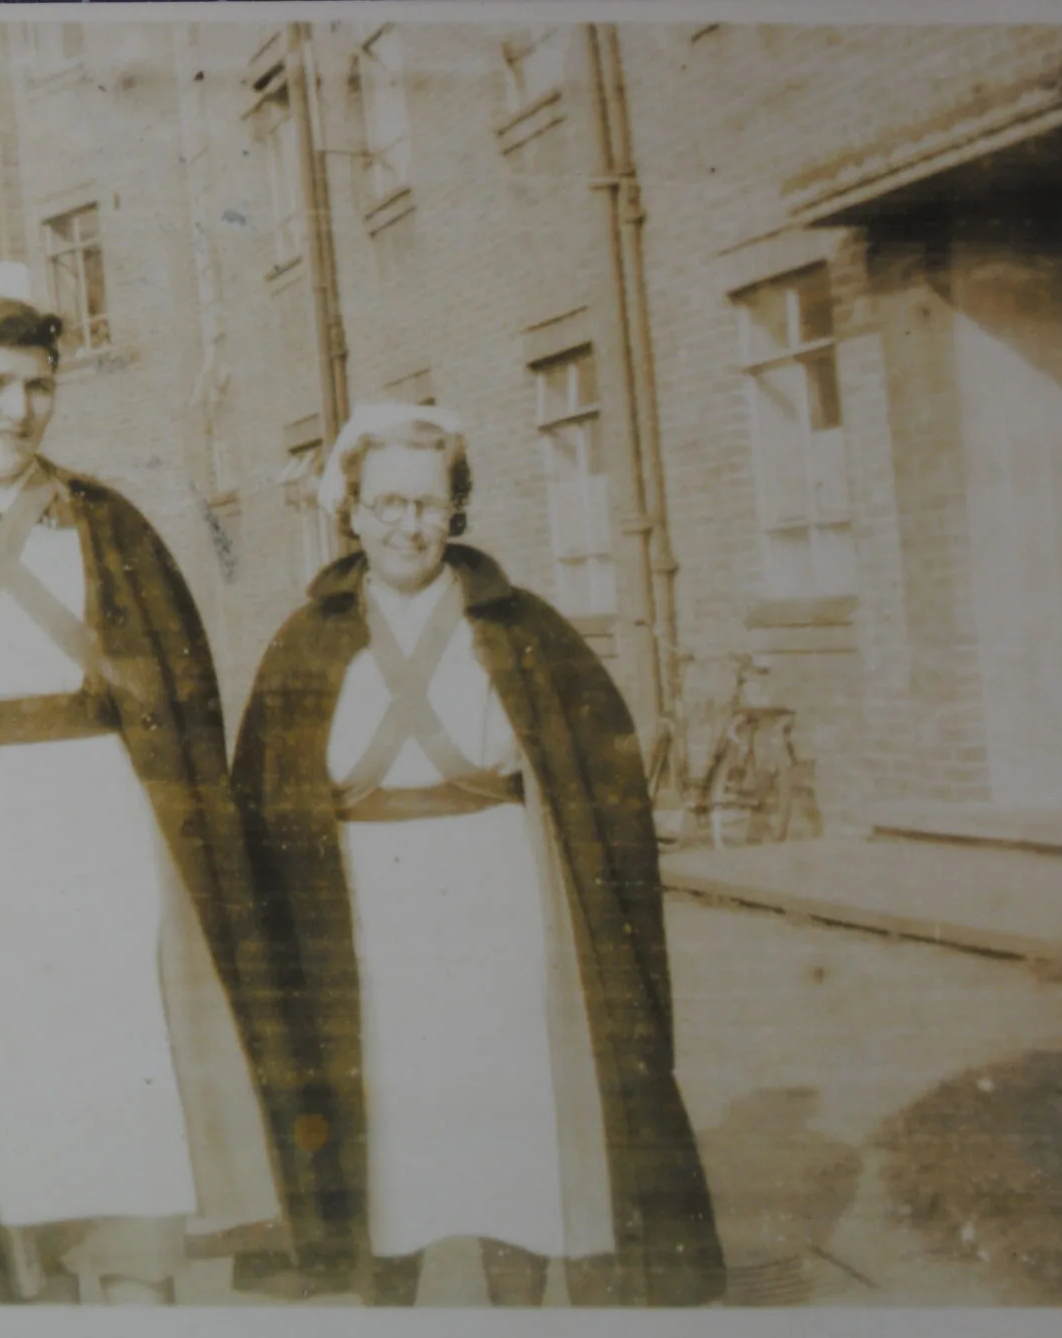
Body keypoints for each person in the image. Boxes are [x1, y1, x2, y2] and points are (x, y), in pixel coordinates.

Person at [0, 256, 285, 1306]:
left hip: (103, 838)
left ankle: (135, 1291)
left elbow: (181, 697)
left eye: (37, 384)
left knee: (122, 1088)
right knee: (5, 1100)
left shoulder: (104, 523)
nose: (19, 409)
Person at [230, 403, 727, 1307]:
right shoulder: (305, 641)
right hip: (367, 911)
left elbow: (600, 775)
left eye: (427, 502)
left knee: (512, 1130)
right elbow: (262, 803)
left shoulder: (520, 624)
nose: (406, 525)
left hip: (497, 900)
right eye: (385, 504)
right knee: (388, 1123)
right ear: (350, 508)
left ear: (455, 508)